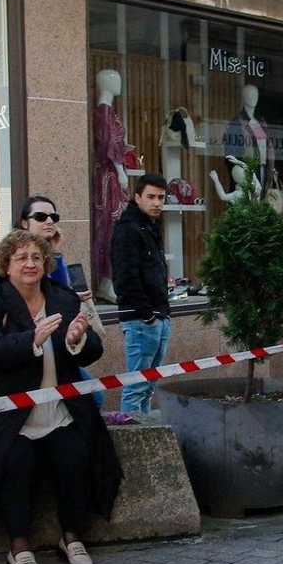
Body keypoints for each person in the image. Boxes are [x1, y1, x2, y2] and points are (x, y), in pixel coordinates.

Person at [0, 230, 123, 564]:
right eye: (22, 258)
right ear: (7, 265)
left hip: (59, 409)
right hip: (11, 415)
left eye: (36, 257)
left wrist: (78, 341)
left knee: (76, 457)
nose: (30, 264)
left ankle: (72, 537)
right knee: (14, 465)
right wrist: (29, 339)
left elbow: (94, 349)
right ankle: (19, 545)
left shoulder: (61, 297)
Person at [18, 195, 106, 411]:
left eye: (53, 217)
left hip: (57, 342)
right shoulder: (18, 255)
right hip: (28, 346)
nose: (49, 221)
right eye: (40, 217)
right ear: (24, 223)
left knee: (94, 396)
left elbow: (58, 295)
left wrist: (56, 254)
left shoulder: (51, 255)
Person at [112, 174, 171, 415]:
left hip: (158, 315)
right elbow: (126, 278)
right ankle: (131, 443)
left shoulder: (149, 227)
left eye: (161, 197)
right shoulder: (128, 229)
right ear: (137, 197)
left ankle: (145, 435)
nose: (157, 203)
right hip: (141, 319)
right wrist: (147, 315)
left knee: (148, 386)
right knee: (136, 387)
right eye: (151, 197)